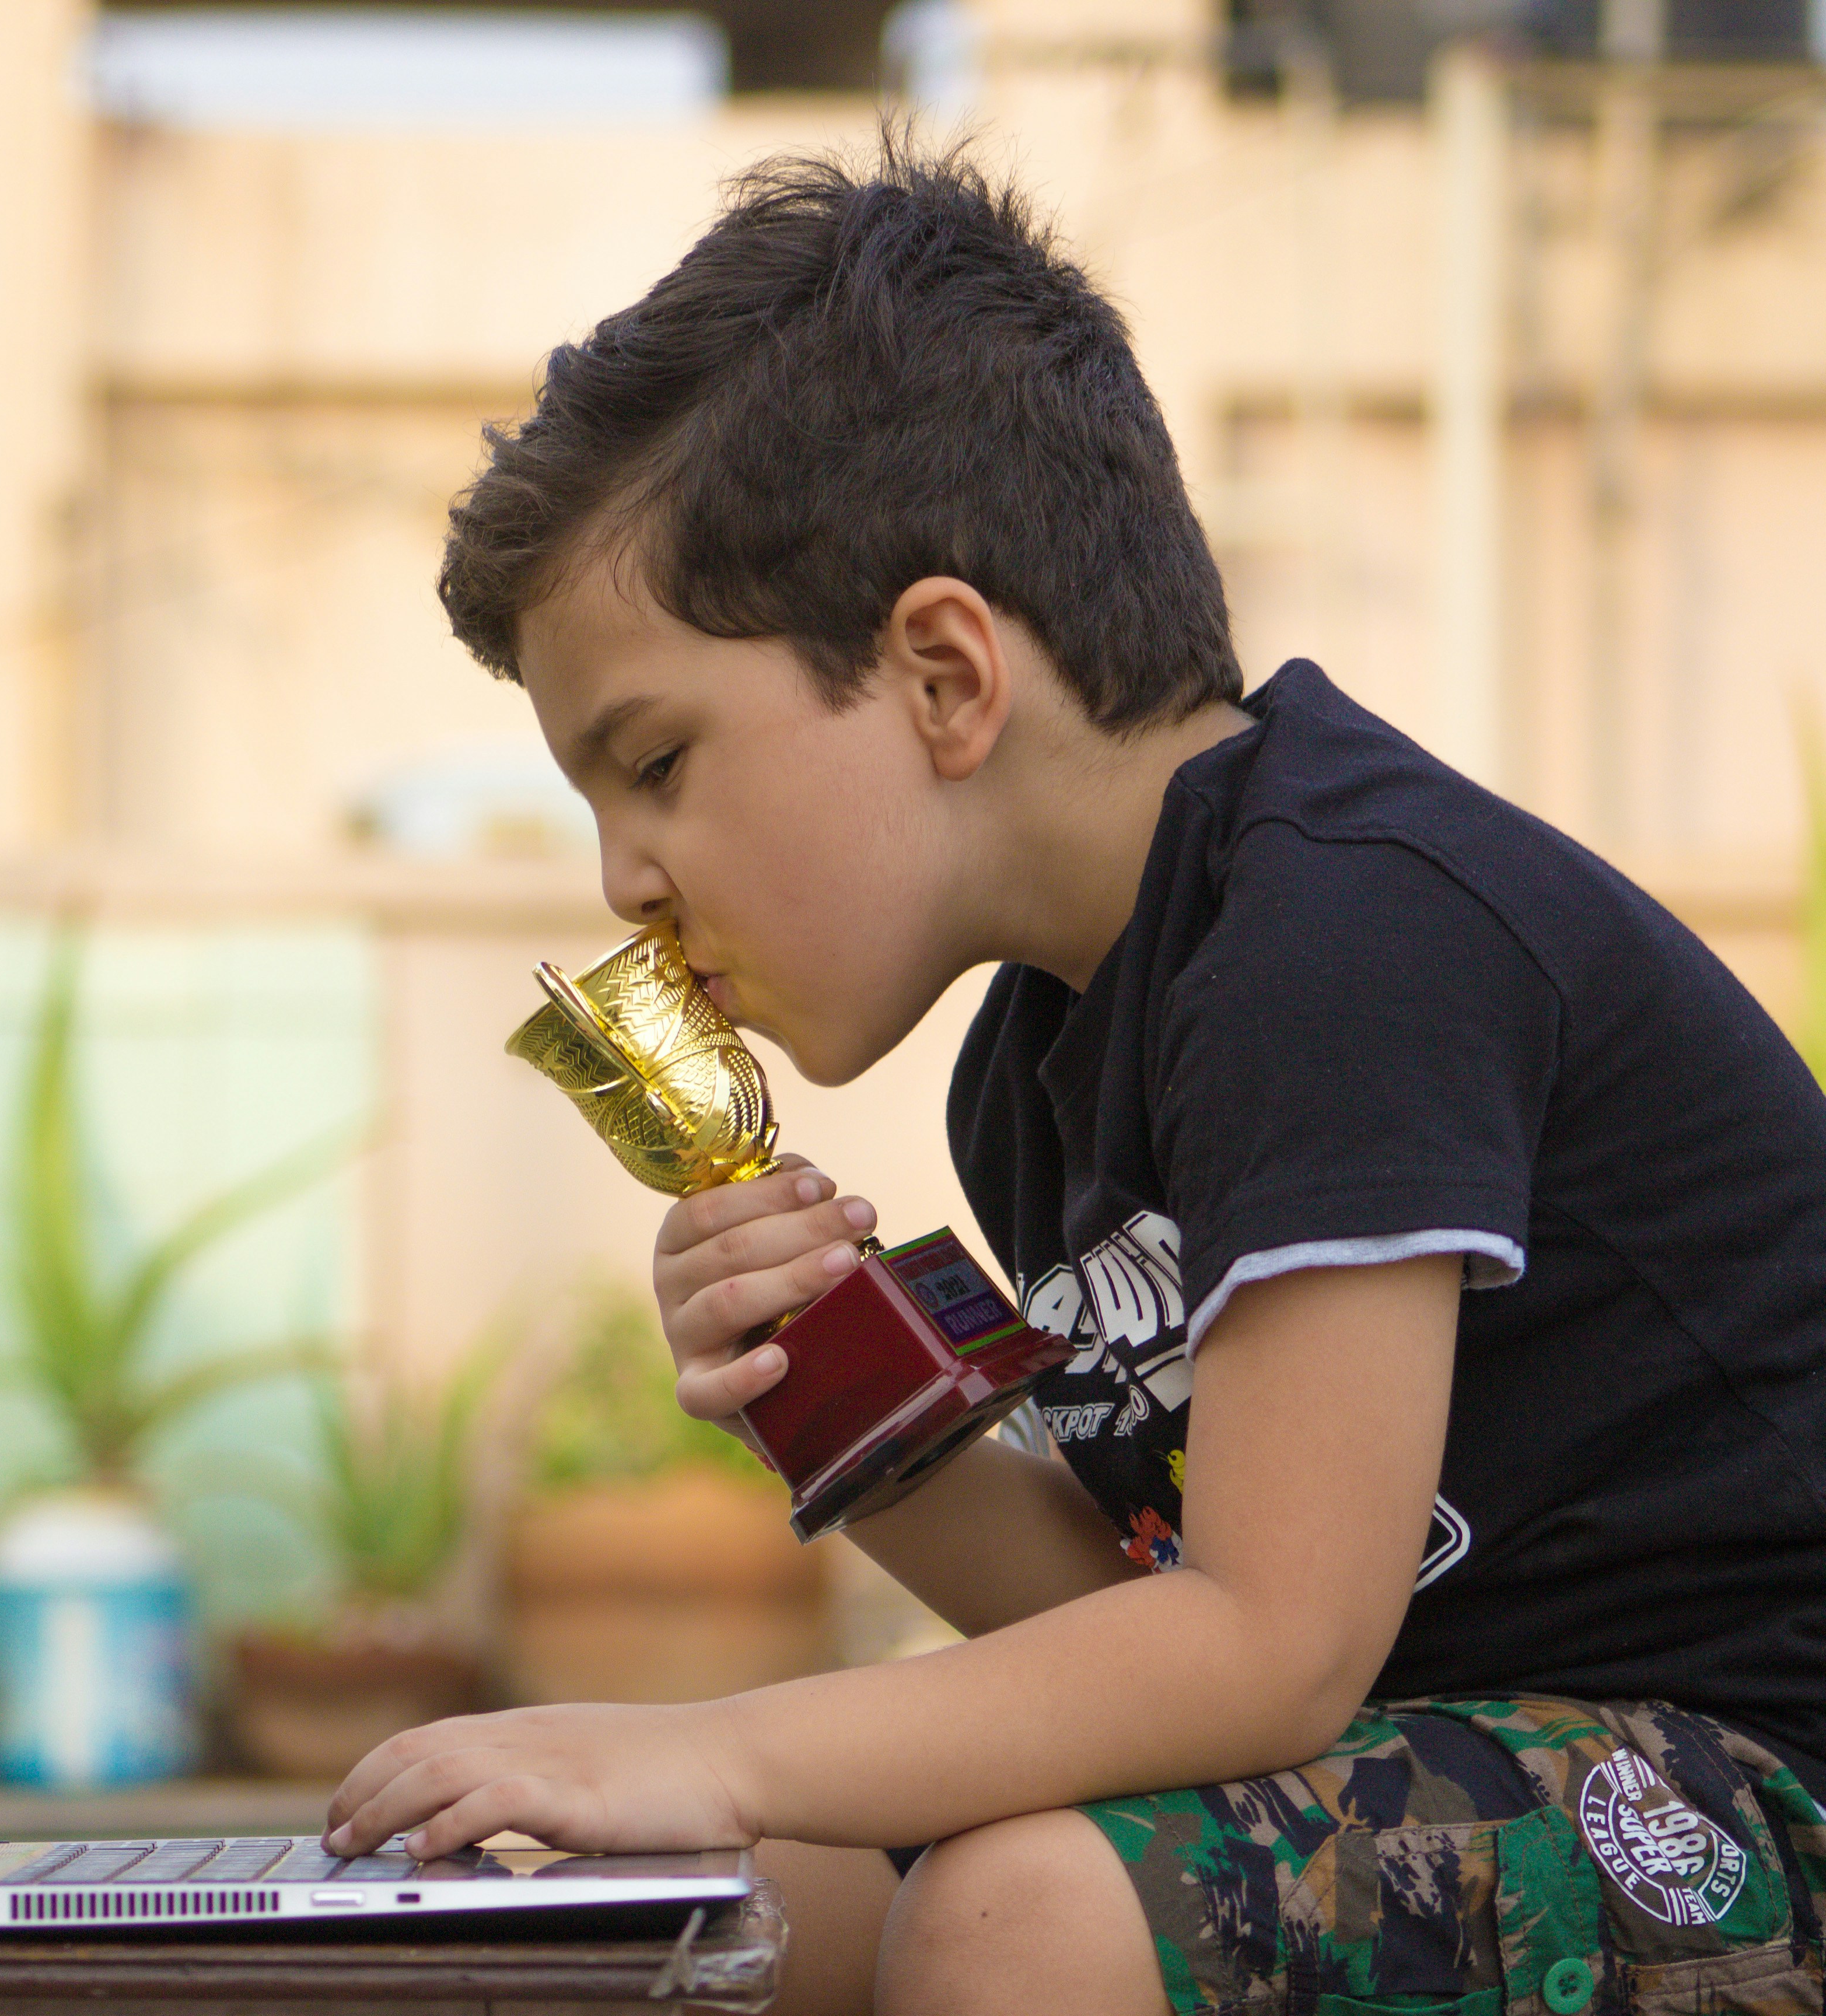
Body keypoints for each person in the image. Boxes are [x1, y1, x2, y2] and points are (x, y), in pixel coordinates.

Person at [321, 139, 1826, 2016]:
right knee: (733, 1906)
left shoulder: (1344, 938)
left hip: (1751, 1787)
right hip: (1442, 1752)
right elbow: (1137, 1643)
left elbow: (1271, 1653)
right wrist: (846, 1408)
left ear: (948, 677)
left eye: (658, 765)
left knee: (1018, 1908)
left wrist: (711, 1740)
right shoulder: (1032, 1063)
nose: (626, 879)